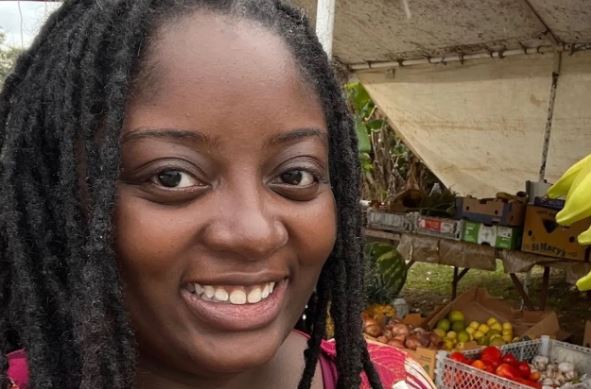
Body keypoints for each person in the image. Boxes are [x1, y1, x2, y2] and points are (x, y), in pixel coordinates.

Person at [0, 1, 436, 388]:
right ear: (63, 201)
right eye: (171, 177)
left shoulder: (387, 380)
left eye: (296, 175)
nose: (254, 233)